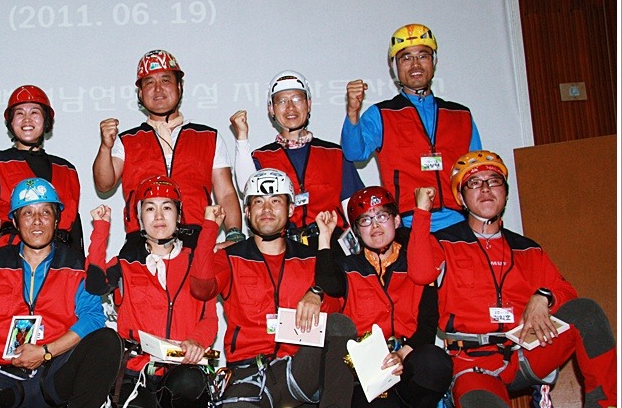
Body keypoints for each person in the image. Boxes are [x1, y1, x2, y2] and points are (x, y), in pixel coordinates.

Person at [408, 151, 617, 408]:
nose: (485, 188)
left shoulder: (528, 249)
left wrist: (544, 297)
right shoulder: (445, 242)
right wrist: (422, 212)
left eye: (493, 181)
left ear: (505, 193)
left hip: (525, 352)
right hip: (473, 361)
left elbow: (568, 294)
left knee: (585, 312)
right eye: (474, 183)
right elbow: (420, 273)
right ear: (461, 198)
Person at [0, 178, 123, 408]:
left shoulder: (76, 264)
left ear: (56, 220)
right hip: (5, 370)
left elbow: (93, 319)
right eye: (27, 213)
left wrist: (45, 352)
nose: (37, 221)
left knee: (107, 341)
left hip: (53, 370)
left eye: (46, 212)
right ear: (15, 221)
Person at [189, 169, 359, 408]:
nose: (267, 209)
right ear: (246, 211)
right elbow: (200, 287)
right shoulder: (230, 257)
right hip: (249, 371)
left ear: (291, 209)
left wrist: (317, 294)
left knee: (340, 325)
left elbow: (338, 304)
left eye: (276, 201)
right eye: (258, 202)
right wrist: (210, 229)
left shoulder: (309, 257)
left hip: (298, 369)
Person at [314, 186, 452, 408]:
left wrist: (403, 353)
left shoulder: (417, 261)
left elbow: (428, 325)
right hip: (369, 371)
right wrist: (324, 237)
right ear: (356, 231)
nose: (375, 226)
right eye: (365, 220)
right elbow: (328, 284)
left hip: (409, 358)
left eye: (382, 216)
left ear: (397, 220)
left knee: (435, 361)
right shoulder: (348, 268)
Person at [85, 176, 215, 408]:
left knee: (192, 381)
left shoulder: (196, 262)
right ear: (140, 218)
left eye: (167, 207)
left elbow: (209, 317)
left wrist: (197, 341)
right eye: (150, 208)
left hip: (179, 370)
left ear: (179, 215)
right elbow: (95, 283)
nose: (158, 216)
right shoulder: (126, 263)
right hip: (136, 373)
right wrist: (100, 230)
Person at [93, 49, 243, 246]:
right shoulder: (127, 140)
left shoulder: (208, 137)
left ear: (179, 86)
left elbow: (226, 193)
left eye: (165, 80)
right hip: (141, 243)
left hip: (196, 242)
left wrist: (234, 235)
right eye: (149, 83)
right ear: (140, 93)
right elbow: (104, 184)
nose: (158, 89)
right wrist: (105, 147)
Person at [342, 23, 483, 231]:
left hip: (459, 224)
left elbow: (477, 171)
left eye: (423, 56)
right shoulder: (381, 114)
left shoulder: (461, 115)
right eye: (406, 58)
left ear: (434, 61)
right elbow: (354, 153)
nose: (415, 65)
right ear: (394, 67)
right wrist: (353, 112)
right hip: (408, 225)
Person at [232, 69, 364, 246]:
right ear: (271, 109)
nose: (290, 108)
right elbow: (246, 186)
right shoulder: (262, 157)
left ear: (309, 104)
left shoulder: (335, 153)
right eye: (282, 101)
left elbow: (353, 208)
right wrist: (242, 138)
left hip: (332, 245)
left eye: (297, 99)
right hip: (287, 249)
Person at [0, 85, 83, 252]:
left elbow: (74, 223)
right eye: (19, 113)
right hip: (11, 256)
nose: (27, 119)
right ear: (11, 122)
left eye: (34, 112)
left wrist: (79, 262)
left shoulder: (66, 169)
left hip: (61, 258)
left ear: (46, 120)